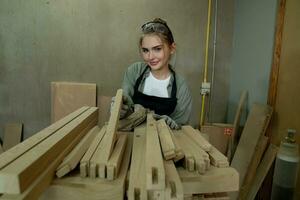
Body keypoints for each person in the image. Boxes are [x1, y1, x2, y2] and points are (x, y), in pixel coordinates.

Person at [119, 18, 192, 129]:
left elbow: (181, 126)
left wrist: (173, 125)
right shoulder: (134, 71)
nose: (150, 57)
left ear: (172, 48)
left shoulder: (181, 86)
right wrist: (120, 108)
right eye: (145, 50)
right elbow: (125, 102)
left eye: (157, 49)